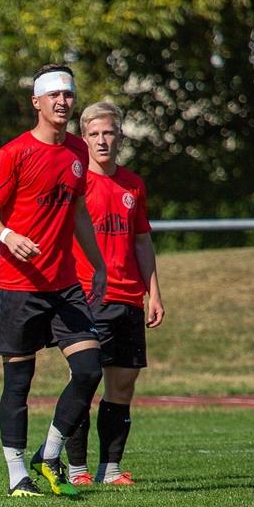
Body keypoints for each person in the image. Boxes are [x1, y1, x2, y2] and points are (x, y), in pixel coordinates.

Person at [0, 64, 109, 498]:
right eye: (53, 94)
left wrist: (99, 264)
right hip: (18, 287)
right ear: (36, 102)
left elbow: (79, 214)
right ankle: (18, 476)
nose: (62, 101)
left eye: (68, 94)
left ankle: (48, 454)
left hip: (64, 285)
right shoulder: (13, 153)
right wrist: (9, 236)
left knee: (89, 370)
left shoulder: (76, 151)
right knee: (19, 383)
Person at [65, 101, 166, 486]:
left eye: (109, 133)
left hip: (129, 299)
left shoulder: (133, 184)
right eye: (94, 134)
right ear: (84, 137)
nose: (102, 140)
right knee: (85, 379)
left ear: (120, 136)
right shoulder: (77, 182)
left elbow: (142, 242)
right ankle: (77, 469)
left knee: (122, 385)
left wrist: (153, 293)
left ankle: (110, 468)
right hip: (89, 298)